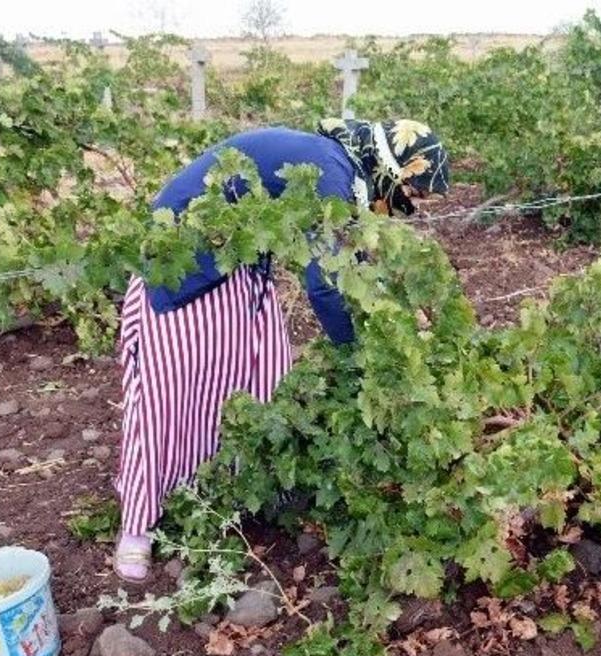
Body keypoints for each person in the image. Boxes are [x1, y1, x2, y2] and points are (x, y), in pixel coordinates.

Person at [113, 118, 449, 582]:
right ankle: (139, 526)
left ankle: (233, 487)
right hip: (183, 266)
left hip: (237, 263)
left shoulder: (341, 168)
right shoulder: (331, 172)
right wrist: (356, 356)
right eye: (417, 192)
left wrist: (384, 309)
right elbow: (327, 287)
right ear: (396, 167)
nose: (413, 205)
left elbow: (349, 261)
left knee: (259, 373)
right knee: (170, 393)